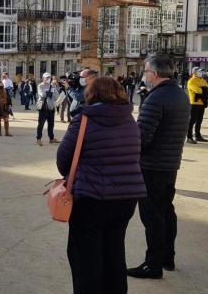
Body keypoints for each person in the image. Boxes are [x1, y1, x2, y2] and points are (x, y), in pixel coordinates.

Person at [57, 77, 147, 294]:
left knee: (85, 256)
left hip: (91, 197)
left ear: (91, 94)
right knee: (114, 251)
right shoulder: (130, 121)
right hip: (126, 197)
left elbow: (63, 160)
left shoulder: (84, 120)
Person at [126, 56, 190, 280]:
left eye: (145, 71)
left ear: (153, 74)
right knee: (165, 210)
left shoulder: (156, 98)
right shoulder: (180, 94)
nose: (144, 75)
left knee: (152, 215)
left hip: (152, 165)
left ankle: (152, 264)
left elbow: (142, 137)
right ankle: (167, 256)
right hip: (170, 163)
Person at [186, 67, 208, 144]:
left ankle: (198, 136)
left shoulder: (202, 80)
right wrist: (204, 89)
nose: (201, 73)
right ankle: (189, 137)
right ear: (194, 72)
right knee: (192, 121)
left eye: (201, 71)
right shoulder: (191, 81)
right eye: (199, 71)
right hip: (194, 103)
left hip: (202, 103)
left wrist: (204, 89)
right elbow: (198, 90)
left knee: (199, 120)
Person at [35, 73, 60, 146]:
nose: (48, 79)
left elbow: (57, 96)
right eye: (46, 77)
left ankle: (51, 139)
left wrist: (51, 93)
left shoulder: (52, 86)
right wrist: (49, 94)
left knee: (51, 125)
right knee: (41, 124)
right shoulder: (40, 86)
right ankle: (38, 139)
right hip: (43, 108)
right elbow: (42, 94)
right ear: (43, 78)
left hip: (51, 108)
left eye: (49, 77)